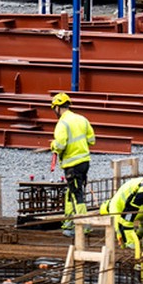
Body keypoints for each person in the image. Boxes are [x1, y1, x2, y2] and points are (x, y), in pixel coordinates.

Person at [49, 93, 95, 236]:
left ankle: (84, 225)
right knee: (71, 191)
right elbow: (92, 140)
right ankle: (69, 223)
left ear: (57, 108)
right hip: (84, 162)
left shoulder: (62, 124)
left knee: (76, 194)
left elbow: (60, 145)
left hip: (72, 164)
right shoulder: (82, 119)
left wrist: (53, 145)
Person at [101, 176, 143, 257]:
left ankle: (131, 246)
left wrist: (121, 241)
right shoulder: (120, 196)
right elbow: (142, 219)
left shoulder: (113, 205)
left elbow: (118, 225)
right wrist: (139, 235)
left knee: (126, 222)